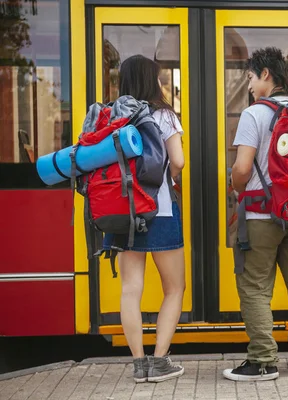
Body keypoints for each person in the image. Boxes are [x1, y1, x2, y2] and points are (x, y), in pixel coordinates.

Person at [223, 47, 288, 382]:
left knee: (254, 287)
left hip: (261, 216)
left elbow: (242, 167)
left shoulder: (255, 114)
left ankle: (263, 361)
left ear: (266, 75)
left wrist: (233, 185)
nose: (249, 84)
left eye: (250, 77)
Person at [103, 55, 186, 383]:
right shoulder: (163, 114)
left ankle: (139, 365)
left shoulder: (112, 114)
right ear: (153, 81)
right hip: (159, 211)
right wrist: (167, 179)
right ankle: (160, 360)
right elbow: (177, 160)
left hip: (121, 212)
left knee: (130, 288)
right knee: (175, 288)